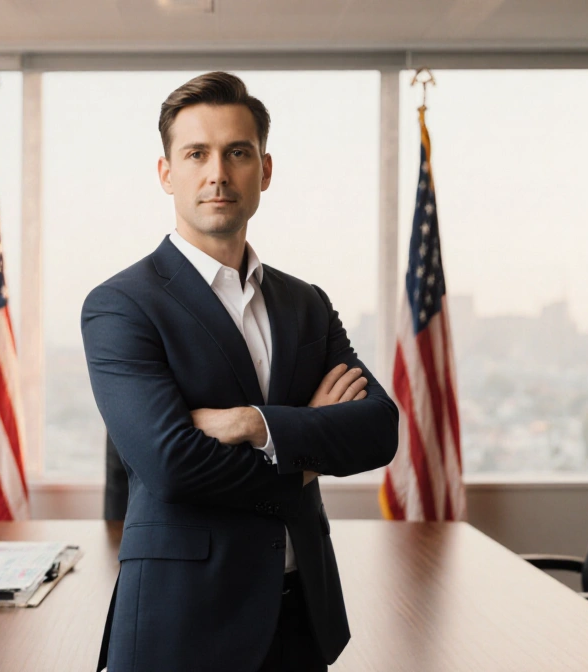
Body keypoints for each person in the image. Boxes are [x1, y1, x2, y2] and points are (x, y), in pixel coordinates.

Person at [82, 71, 399, 672]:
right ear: (166, 173)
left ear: (265, 170)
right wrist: (303, 454)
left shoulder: (305, 303)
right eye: (196, 153)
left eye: (237, 152)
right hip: (183, 627)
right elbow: (172, 467)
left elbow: (380, 429)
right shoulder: (122, 304)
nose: (217, 173)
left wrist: (256, 425)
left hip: (302, 619)